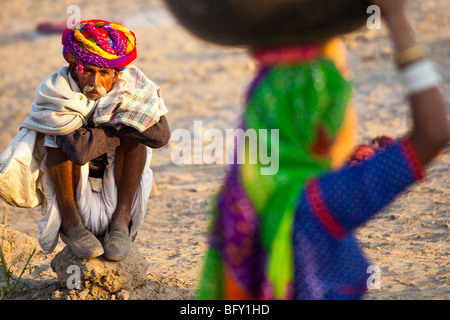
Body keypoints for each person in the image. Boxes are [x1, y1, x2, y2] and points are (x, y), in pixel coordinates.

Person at [197, 0, 449, 299]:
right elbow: (434, 133)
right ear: (320, 132)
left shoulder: (238, 199)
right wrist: (397, 22)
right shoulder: (320, 203)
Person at [21, 20, 170, 261]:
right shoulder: (56, 91)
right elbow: (79, 151)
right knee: (57, 138)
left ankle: (121, 221)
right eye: (87, 71)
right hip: (73, 189)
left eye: (103, 73)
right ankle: (71, 224)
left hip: (119, 186)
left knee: (138, 139)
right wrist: (122, 122)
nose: (95, 81)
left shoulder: (133, 87)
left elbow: (160, 136)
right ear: (73, 70)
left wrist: (106, 126)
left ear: (116, 74)